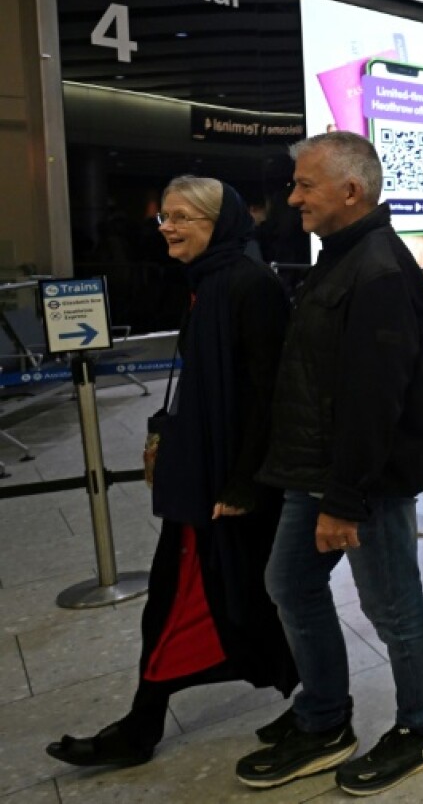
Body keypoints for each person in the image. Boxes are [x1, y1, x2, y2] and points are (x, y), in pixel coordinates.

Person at [47, 176, 296, 768]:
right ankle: (144, 720)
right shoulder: (207, 283)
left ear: (220, 222)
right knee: (183, 597)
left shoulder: (249, 286)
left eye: (183, 217)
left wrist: (244, 485)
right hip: (201, 474)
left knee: (243, 599)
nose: (167, 228)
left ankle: (316, 698)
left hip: (230, 483)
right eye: (165, 217)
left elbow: (268, 397)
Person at [235, 131, 423, 796]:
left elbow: (372, 401)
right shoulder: (341, 256)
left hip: (362, 481)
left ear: (350, 191)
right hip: (316, 472)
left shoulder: (379, 271)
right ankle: (325, 717)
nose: (292, 196)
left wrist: (344, 500)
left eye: (305, 185)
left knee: (392, 606)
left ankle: (421, 726)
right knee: (291, 583)